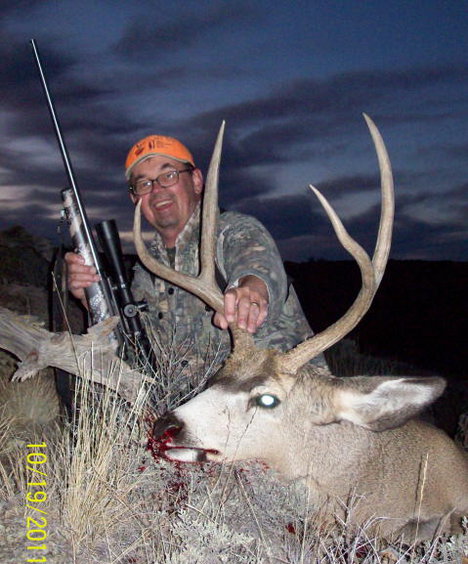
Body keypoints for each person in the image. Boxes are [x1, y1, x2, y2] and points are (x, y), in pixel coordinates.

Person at [66, 134, 327, 379]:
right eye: (144, 183)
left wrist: (251, 291)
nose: (157, 190)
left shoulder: (234, 230)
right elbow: (132, 346)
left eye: (168, 175)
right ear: (135, 198)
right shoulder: (146, 270)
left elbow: (258, 266)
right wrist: (91, 298)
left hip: (279, 396)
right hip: (200, 410)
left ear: (196, 181)